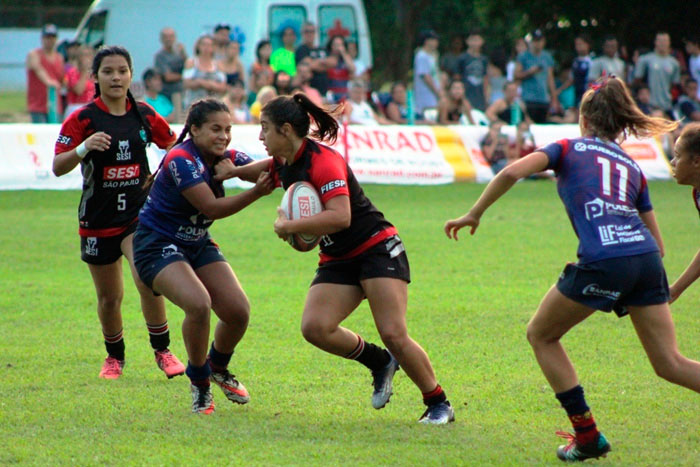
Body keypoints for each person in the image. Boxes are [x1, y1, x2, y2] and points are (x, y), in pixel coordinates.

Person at [445, 76, 700, 461]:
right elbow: (660, 246)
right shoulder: (632, 167)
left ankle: (587, 435)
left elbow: (513, 171)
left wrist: (474, 212)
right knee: (670, 363)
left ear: (585, 118)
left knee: (541, 335)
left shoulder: (565, 147)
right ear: (619, 122)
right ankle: (587, 435)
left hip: (604, 260)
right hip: (646, 261)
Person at [222, 93, 454, 423]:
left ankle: (438, 402)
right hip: (339, 256)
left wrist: (290, 225)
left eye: (265, 128)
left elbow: (341, 216)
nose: (260, 136)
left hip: (376, 247)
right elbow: (256, 173)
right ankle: (379, 362)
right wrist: (226, 173)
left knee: (394, 333)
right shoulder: (284, 163)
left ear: (286, 130)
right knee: (316, 327)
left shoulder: (323, 160)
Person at [132, 98, 274, 414]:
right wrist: (256, 191)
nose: (223, 136)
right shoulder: (182, 159)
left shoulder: (224, 156)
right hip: (157, 244)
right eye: (215, 129)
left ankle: (218, 366)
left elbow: (267, 168)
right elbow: (211, 208)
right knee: (198, 304)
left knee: (238, 311)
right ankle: (200, 382)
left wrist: (293, 158)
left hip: (196, 243)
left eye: (228, 129)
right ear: (194, 130)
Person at [52, 45, 185, 380]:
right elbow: (56, 167)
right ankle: (115, 357)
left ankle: (163, 351)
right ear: (95, 77)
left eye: (122, 70)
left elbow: (174, 147)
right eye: (108, 71)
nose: (116, 77)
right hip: (97, 219)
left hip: (139, 217)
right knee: (110, 298)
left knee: (147, 279)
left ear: (130, 74)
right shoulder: (83, 119)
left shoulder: (144, 114)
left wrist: (162, 177)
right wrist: (84, 147)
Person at [669, 123, 700, 302]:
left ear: (696, 161)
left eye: (678, 156)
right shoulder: (697, 193)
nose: (673, 163)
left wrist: (675, 290)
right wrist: (675, 290)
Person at [514, 29, 559, 123]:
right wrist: (529, 72)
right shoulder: (523, 56)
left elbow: (550, 79)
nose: (537, 43)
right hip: (528, 98)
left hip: (543, 98)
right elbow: (516, 75)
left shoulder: (547, 57)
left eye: (539, 41)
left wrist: (554, 99)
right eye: (535, 41)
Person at [635, 32, 681, 115]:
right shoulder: (645, 60)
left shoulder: (674, 63)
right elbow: (638, 80)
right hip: (649, 105)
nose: (663, 43)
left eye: (665, 41)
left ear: (669, 43)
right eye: (660, 41)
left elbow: (674, 84)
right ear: (655, 42)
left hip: (667, 104)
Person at [26, 24, 65, 123]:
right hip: (38, 105)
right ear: (42, 38)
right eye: (47, 37)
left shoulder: (59, 58)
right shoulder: (34, 54)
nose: (50, 40)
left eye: (52, 37)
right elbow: (38, 69)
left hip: (55, 105)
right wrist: (49, 81)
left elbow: (62, 78)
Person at [183, 35, 227, 110]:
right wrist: (200, 83)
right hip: (193, 104)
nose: (206, 48)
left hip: (213, 105)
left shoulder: (219, 65)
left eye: (209, 45)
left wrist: (207, 84)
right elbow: (186, 83)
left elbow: (223, 87)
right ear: (198, 46)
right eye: (204, 44)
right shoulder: (191, 62)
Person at [153, 27, 187, 112]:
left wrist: (184, 54)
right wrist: (184, 76)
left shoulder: (179, 54)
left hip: (182, 94)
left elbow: (188, 67)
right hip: (167, 95)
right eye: (166, 36)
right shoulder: (160, 56)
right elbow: (168, 77)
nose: (169, 39)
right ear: (161, 39)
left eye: (171, 36)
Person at [294, 22, 330, 96]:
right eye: (307, 31)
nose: (309, 34)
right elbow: (309, 66)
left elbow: (331, 63)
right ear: (302, 34)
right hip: (309, 91)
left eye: (312, 31)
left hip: (325, 90)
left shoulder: (322, 49)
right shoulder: (300, 50)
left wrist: (318, 63)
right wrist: (323, 63)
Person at [457, 30, 489, 111]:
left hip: (479, 96)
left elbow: (485, 78)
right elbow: (457, 77)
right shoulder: (462, 58)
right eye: (473, 40)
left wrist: (486, 97)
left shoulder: (484, 59)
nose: (475, 43)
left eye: (477, 40)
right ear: (467, 41)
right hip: (466, 94)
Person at [413, 30, 441, 119]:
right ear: (427, 41)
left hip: (433, 95)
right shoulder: (422, 56)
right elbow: (425, 76)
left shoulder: (432, 56)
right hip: (426, 95)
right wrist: (437, 91)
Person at [64, 45, 95, 120]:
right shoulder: (73, 72)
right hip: (75, 107)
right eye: (83, 55)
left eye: (88, 55)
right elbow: (79, 91)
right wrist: (84, 72)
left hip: (91, 107)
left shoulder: (94, 74)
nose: (86, 58)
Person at [326, 35, 355, 103]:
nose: (338, 47)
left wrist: (343, 52)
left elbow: (352, 69)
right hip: (331, 94)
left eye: (340, 44)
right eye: (336, 44)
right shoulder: (328, 58)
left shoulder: (345, 60)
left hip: (344, 94)